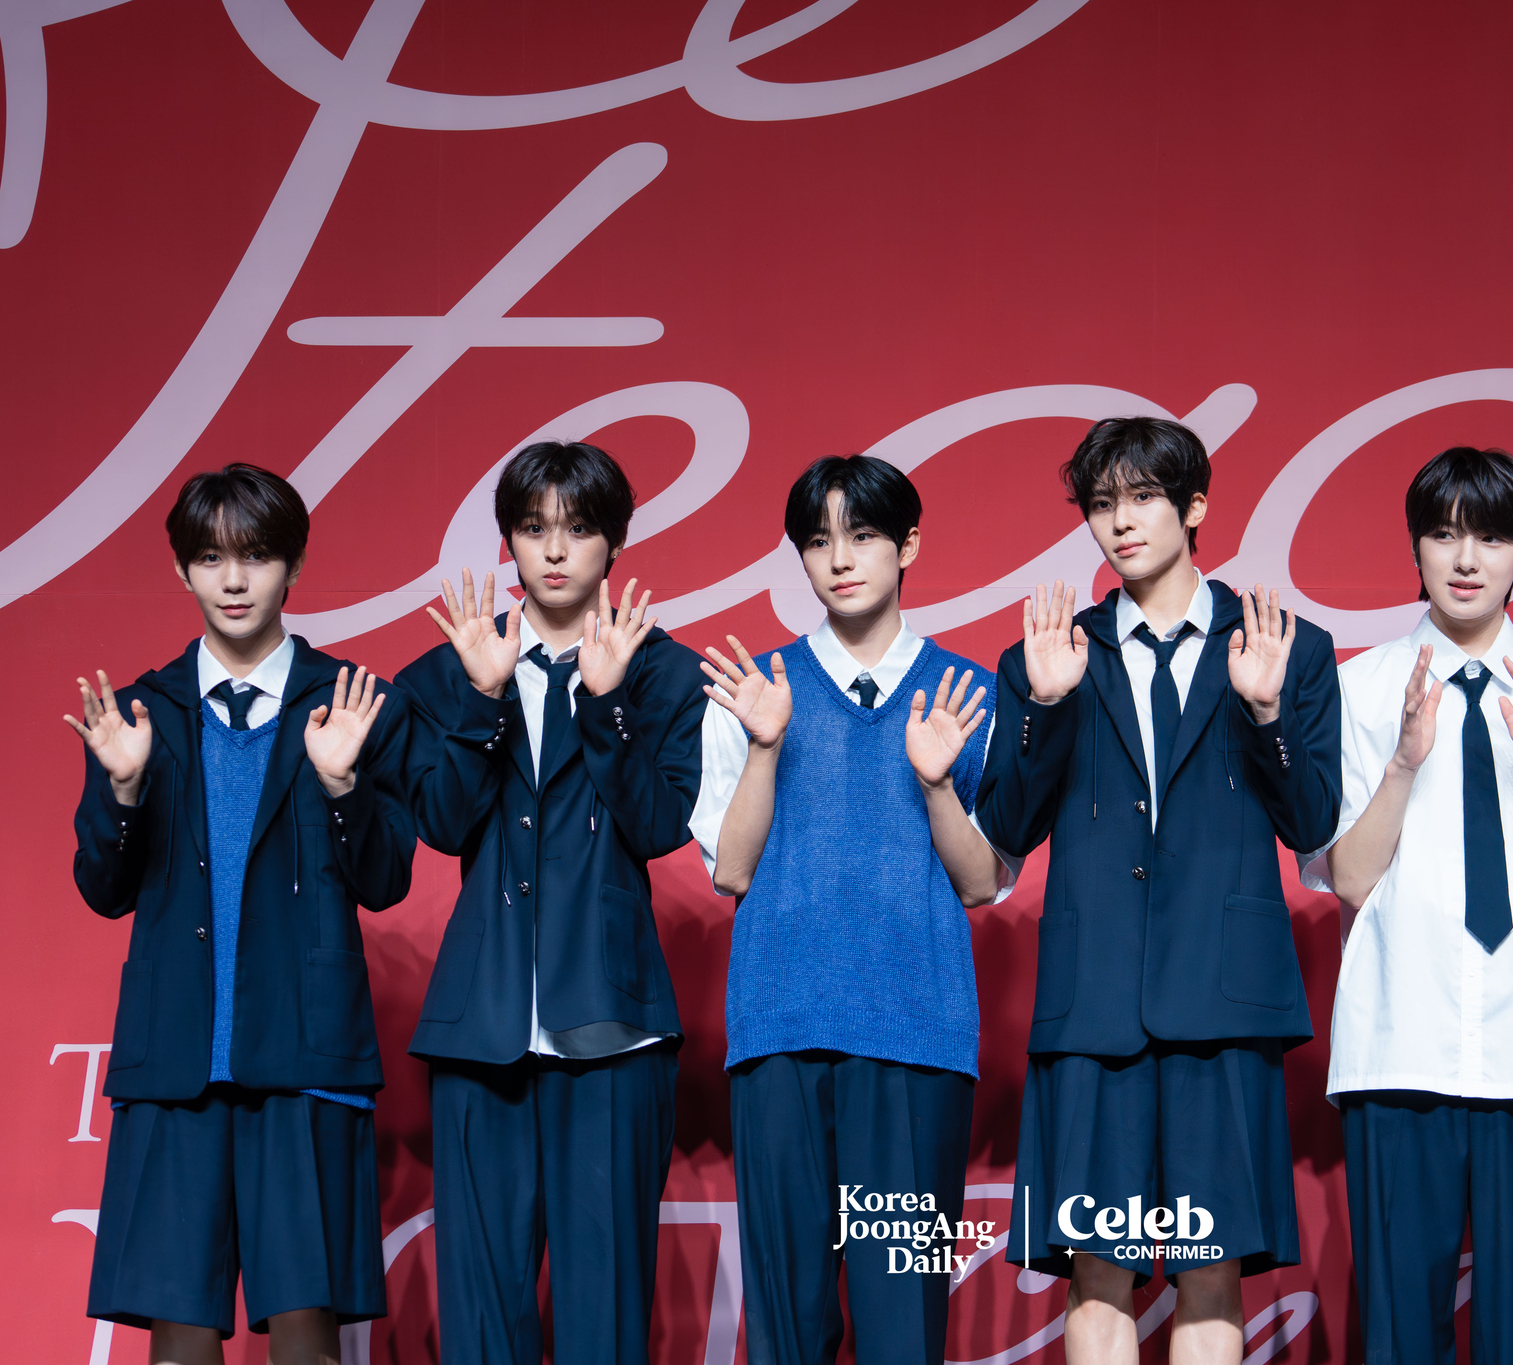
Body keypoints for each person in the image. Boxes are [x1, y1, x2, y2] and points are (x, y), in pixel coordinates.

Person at [978, 416, 1341, 1365]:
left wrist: (1266, 712)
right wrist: (1048, 708)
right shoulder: (1050, 653)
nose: (1119, 523)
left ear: (1194, 506)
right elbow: (1007, 830)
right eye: (1101, 505)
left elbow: (1311, 824)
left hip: (1219, 998)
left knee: (1207, 1261)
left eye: (1142, 498)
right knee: (1097, 1264)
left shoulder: (1282, 648)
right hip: (1093, 999)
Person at [1300, 446, 1513, 1363]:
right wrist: (1405, 762)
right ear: (1413, 547)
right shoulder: (1359, 687)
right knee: (1400, 1332)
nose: (1464, 558)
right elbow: (1347, 876)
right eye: (1443, 533)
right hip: (1398, 1039)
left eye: (1489, 537)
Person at [67, 464, 413, 1365]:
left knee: (308, 1333)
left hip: (303, 1054)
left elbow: (385, 880)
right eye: (210, 557)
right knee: (179, 1338)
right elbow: (102, 888)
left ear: (293, 566)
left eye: (255, 556)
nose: (232, 579)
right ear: (181, 571)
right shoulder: (140, 711)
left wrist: (343, 785)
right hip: (176, 1057)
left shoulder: (352, 701)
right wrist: (125, 788)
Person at [689, 453, 1016, 1365]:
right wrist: (765, 746)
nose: (840, 558)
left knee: (901, 1324)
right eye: (818, 540)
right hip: (781, 1031)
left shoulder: (967, 694)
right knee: (787, 1325)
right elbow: (733, 870)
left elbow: (983, 879)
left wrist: (939, 782)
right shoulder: (756, 688)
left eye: (863, 534)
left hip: (914, 1037)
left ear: (909, 543)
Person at [397, 440, 706, 1365]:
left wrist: (604, 706)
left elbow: (658, 827)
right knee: (482, 1318)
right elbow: (443, 824)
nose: (555, 550)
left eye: (578, 529)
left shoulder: (663, 672)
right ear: (508, 543)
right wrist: (484, 699)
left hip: (611, 1029)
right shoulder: (446, 671)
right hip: (479, 1028)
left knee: (604, 1314)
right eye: (533, 529)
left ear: (615, 544)